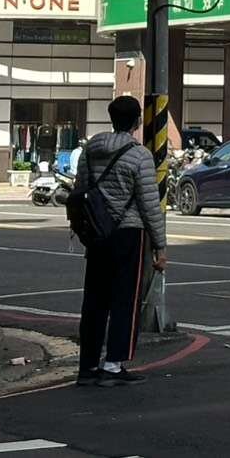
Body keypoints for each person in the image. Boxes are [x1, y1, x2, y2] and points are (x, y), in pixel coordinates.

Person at [72, 96, 167, 387]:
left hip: (97, 232)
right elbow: (149, 204)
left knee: (94, 300)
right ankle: (113, 365)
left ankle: (88, 366)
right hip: (128, 234)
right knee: (125, 299)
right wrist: (160, 245)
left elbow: (81, 188)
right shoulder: (139, 155)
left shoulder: (91, 149)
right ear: (138, 121)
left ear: (111, 118)